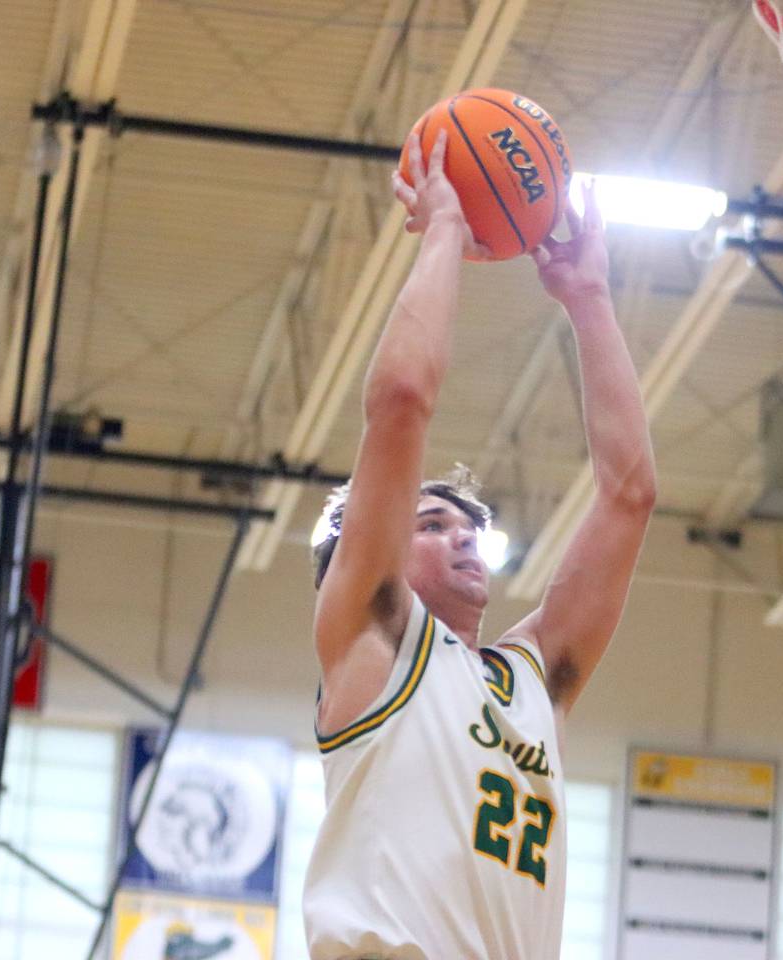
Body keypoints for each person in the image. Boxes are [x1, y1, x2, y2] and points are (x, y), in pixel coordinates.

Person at [302, 128, 657, 960]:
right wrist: (450, 233)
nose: (463, 538)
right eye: (432, 525)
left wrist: (589, 299)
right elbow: (400, 398)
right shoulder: (373, 636)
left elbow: (630, 496)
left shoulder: (532, 677)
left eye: (471, 528)